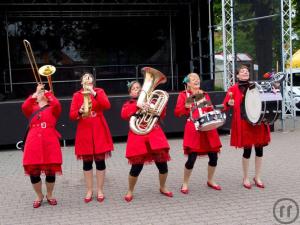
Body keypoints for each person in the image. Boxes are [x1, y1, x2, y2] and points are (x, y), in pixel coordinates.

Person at [121, 81, 173, 202]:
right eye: (134, 89)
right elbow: (124, 114)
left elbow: (162, 114)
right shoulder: (128, 104)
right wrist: (139, 105)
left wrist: (157, 107)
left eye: (139, 88)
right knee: (136, 167)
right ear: (130, 93)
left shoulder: (152, 101)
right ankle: (130, 190)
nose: (137, 90)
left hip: (154, 135)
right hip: (138, 137)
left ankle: (163, 187)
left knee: (163, 165)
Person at [222, 65, 270, 189]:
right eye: (242, 71)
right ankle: (246, 177)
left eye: (247, 71)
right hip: (244, 122)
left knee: (260, 150)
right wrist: (229, 102)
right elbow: (225, 104)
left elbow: (263, 101)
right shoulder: (233, 88)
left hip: (257, 122)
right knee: (247, 150)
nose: (245, 72)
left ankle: (257, 177)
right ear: (237, 75)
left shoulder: (255, 86)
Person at [174, 73, 222, 194]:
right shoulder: (183, 95)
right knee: (191, 158)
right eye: (193, 79)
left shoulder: (204, 94)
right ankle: (185, 183)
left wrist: (212, 108)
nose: (197, 81)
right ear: (188, 83)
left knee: (214, 157)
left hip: (208, 127)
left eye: (198, 79)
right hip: (193, 127)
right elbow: (177, 112)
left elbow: (210, 109)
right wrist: (186, 105)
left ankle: (210, 180)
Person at [69, 72, 114, 203]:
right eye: (85, 79)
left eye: (89, 79)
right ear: (81, 82)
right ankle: (89, 190)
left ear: (93, 82)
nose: (87, 81)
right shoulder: (77, 95)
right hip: (84, 130)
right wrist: (79, 111)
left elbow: (107, 105)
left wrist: (94, 94)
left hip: (99, 128)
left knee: (100, 161)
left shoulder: (99, 91)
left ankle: (100, 189)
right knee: (87, 163)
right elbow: (72, 115)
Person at [22, 83, 62, 208]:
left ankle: (49, 195)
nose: (41, 94)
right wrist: (35, 94)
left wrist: (48, 93)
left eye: (42, 93)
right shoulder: (32, 106)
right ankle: (39, 195)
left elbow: (57, 105)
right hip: (33, 141)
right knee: (34, 171)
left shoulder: (52, 106)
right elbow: (24, 107)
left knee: (51, 171)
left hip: (50, 141)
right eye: (40, 93)